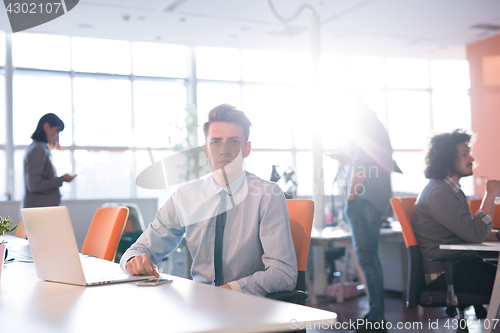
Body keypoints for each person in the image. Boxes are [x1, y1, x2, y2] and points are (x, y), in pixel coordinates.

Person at [120, 104, 297, 295]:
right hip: (200, 304)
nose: (224, 150)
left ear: (247, 149)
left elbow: (283, 273)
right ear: (206, 150)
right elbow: (139, 249)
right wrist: (134, 260)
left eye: (234, 142)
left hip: (249, 304)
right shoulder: (185, 196)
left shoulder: (267, 195)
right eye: (216, 142)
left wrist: (230, 290)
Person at [413, 130, 500, 300]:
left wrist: (496, 235)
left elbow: (470, 231)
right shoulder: (439, 194)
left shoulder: (451, 191)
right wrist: (490, 195)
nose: (472, 159)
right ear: (447, 159)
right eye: (464, 154)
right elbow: (474, 234)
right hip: (446, 274)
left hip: (460, 266)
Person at [342, 93, 393, 332]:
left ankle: (376, 319)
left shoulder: (360, 125)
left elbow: (361, 166)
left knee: (367, 260)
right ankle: (376, 316)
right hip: (378, 198)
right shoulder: (376, 126)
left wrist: (351, 196)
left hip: (363, 200)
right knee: (371, 258)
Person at [23, 113, 75, 208]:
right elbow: (34, 185)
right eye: (56, 131)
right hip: (40, 211)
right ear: (46, 127)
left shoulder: (39, 148)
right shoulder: (38, 149)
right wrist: (62, 179)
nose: (57, 136)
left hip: (41, 210)